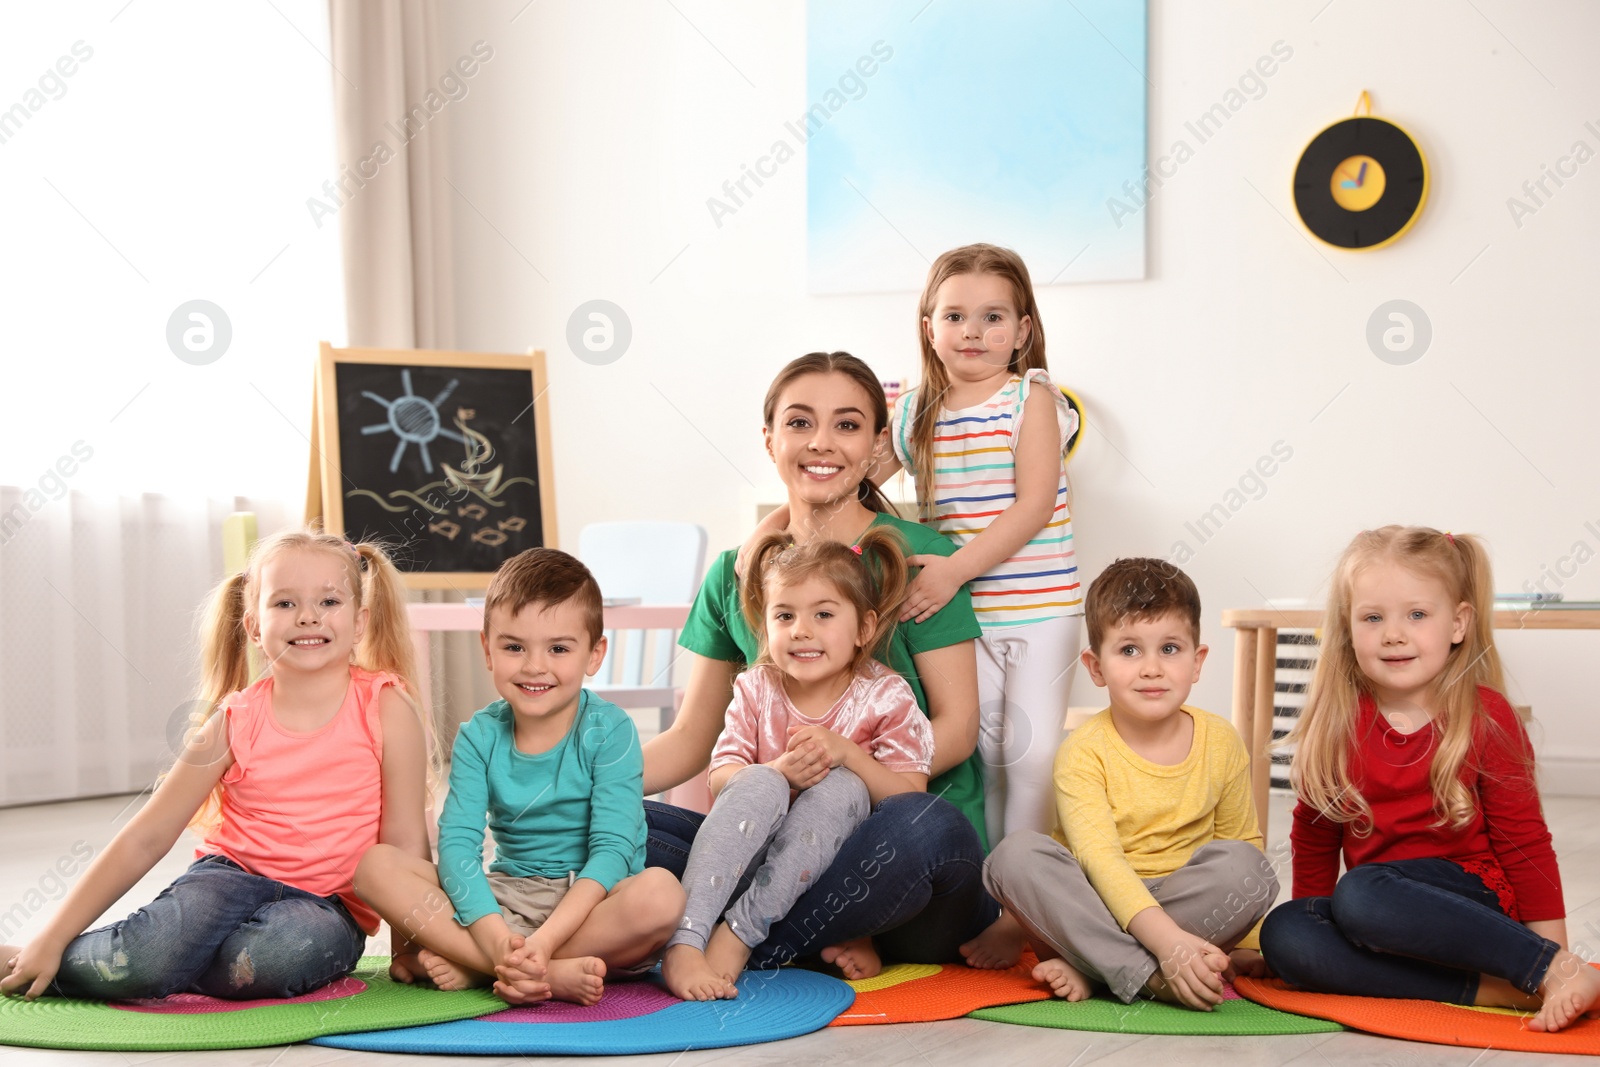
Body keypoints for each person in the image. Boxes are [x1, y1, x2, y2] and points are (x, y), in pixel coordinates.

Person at [645, 351, 993, 983]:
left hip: (887, 851)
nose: (821, 443)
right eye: (800, 423)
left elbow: (959, 726)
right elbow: (694, 739)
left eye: (848, 424)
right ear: (770, 440)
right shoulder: (734, 572)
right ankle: (771, 934)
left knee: (928, 830)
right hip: (770, 831)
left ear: (877, 443)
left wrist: (846, 769)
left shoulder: (920, 560)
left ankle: (730, 936)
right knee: (623, 822)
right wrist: (581, 784)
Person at [0, 531, 430, 1001]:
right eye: (284, 604)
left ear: (360, 620)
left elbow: (405, 841)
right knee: (149, 956)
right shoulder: (234, 719)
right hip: (227, 879)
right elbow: (147, 836)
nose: (308, 616)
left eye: (329, 600)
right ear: (252, 627)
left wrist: (406, 949)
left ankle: (165, 966)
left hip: (329, 908)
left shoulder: (387, 707)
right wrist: (53, 936)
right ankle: (41, 958)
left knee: (273, 959)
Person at [1259, 526, 1600, 1033]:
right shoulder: (1335, 724)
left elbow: (1525, 843)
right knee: (1285, 934)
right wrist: (1312, 918)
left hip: (1469, 905)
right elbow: (1313, 840)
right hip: (1378, 919)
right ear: (1348, 627)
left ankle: (1539, 968)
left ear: (1458, 623)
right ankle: (1499, 992)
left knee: (1361, 891)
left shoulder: (1486, 716)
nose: (1394, 634)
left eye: (1417, 615)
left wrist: (1558, 959)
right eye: (1373, 618)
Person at [356, 549, 683, 1006]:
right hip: (507, 900)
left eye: (558, 648)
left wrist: (543, 943)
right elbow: (457, 849)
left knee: (662, 894)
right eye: (514, 647)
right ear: (487, 649)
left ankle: (487, 967)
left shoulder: (612, 731)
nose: (534, 666)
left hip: (595, 908)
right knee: (376, 867)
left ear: (594, 654)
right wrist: (494, 939)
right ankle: (526, 971)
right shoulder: (479, 736)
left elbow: (611, 854)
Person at [981, 557, 1276, 1008]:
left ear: (1197, 662)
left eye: (1170, 649)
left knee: (1248, 868)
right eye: (1130, 650)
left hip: (1183, 908)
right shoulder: (1082, 752)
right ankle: (1149, 976)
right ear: (1096, 668)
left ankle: (1094, 967)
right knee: (1014, 856)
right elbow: (1100, 863)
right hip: (1093, 904)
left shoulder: (1221, 739)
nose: (1152, 668)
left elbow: (1242, 839)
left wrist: (1247, 945)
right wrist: (1166, 947)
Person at [661, 530, 934, 1000]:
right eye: (784, 615)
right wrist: (778, 772)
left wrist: (848, 754)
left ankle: (740, 934)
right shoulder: (755, 687)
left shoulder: (885, 694)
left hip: (837, 876)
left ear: (864, 629)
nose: (801, 630)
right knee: (759, 781)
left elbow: (910, 799)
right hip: (748, 859)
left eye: (823, 615)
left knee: (842, 787)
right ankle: (685, 940)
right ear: (765, 626)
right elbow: (720, 776)